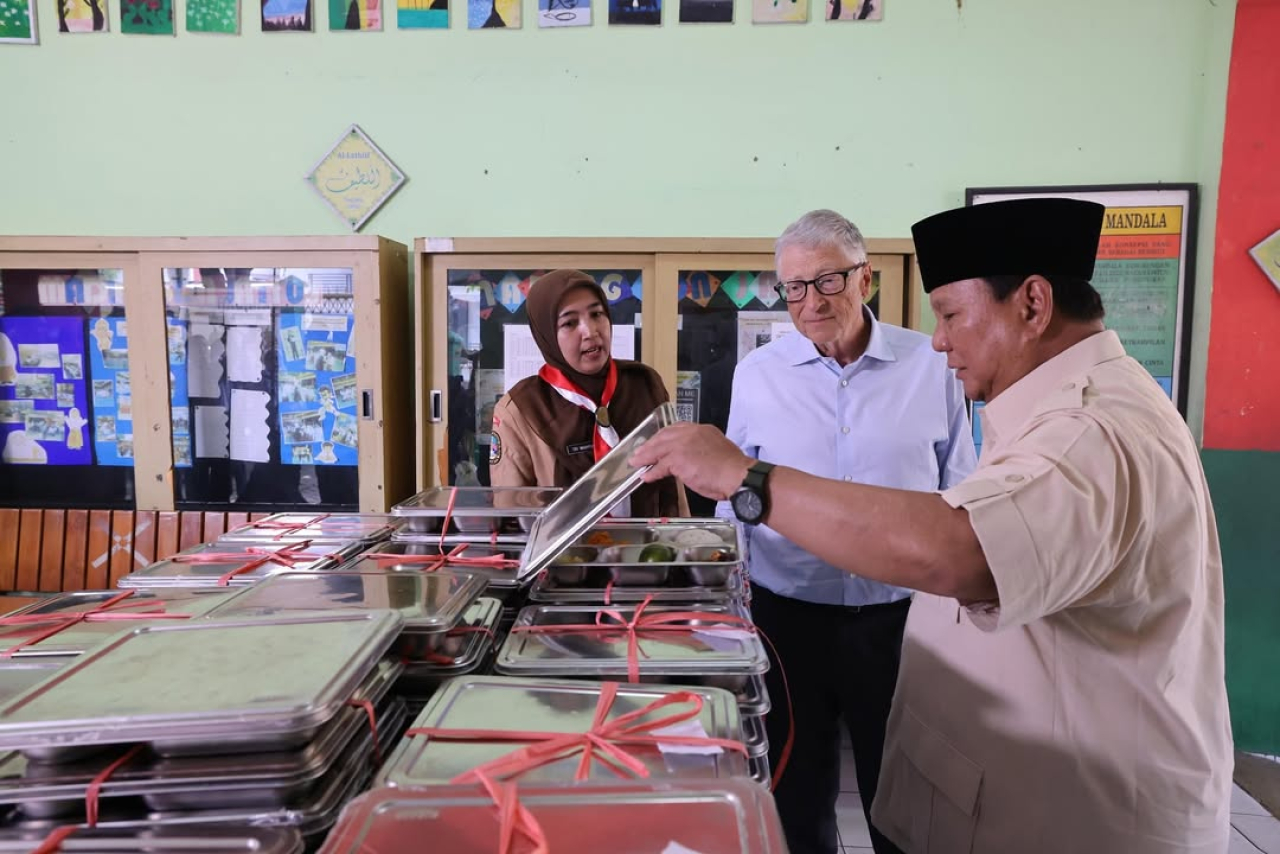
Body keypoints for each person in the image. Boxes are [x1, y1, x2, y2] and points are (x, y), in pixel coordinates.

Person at [630, 197, 1232, 854]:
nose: (940, 340)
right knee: (799, 794)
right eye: (794, 287)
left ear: (1031, 305)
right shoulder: (1059, 403)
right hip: (799, 618)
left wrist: (749, 480)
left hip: (1084, 809)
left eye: (950, 314)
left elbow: (964, 545)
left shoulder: (1085, 428)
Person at [714, 209, 975, 854]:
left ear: (864, 279)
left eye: (826, 281)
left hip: (902, 621)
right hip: (786, 618)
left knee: (904, 796)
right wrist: (727, 608)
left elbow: (962, 488)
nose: (808, 302)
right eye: (793, 287)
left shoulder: (931, 364)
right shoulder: (759, 374)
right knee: (796, 795)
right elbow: (733, 492)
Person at [490, 268, 686, 517]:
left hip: (648, 549)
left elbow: (672, 485)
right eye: (569, 323)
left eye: (597, 314)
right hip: (565, 554)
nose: (590, 331)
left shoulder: (644, 384)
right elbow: (511, 513)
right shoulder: (522, 408)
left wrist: (682, 541)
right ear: (546, 334)